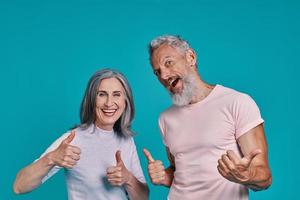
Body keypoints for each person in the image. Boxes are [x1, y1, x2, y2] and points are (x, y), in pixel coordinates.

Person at [143, 35, 272, 200]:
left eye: (168, 63)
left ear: (190, 57)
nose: (164, 76)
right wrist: (164, 176)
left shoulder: (237, 102)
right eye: (157, 72)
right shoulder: (165, 118)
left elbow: (265, 177)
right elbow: (182, 172)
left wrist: (246, 175)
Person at [13, 69, 149, 200]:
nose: (109, 103)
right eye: (101, 94)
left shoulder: (126, 140)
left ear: (126, 101)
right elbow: (19, 187)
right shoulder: (73, 139)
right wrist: (51, 158)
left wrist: (128, 179)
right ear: (91, 100)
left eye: (116, 94)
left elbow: (143, 197)